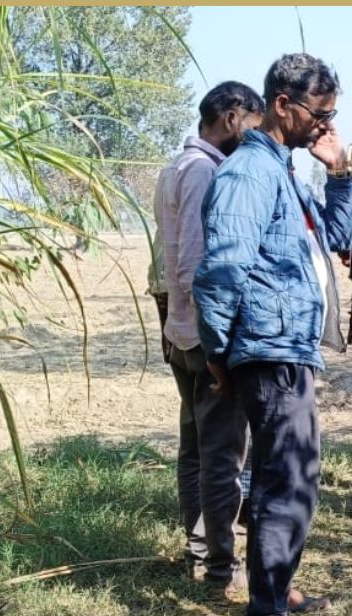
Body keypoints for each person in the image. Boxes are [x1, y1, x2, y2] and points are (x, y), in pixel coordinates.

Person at [194, 53, 352, 616]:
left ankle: (274, 587)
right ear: (283, 105)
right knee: (284, 479)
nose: (326, 124)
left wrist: (338, 174)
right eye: (321, 113)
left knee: (289, 475)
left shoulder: (284, 170)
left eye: (333, 114)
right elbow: (219, 270)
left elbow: (335, 240)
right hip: (266, 348)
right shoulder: (248, 175)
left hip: (287, 345)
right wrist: (219, 351)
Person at [154, 81, 262, 590]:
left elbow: (167, 262)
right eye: (254, 125)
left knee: (196, 448)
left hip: (182, 331)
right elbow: (196, 264)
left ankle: (201, 553)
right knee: (220, 453)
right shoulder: (203, 172)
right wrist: (216, 342)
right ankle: (221, 566)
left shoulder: (176, 166)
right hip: (203, 336)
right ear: (233, 118)